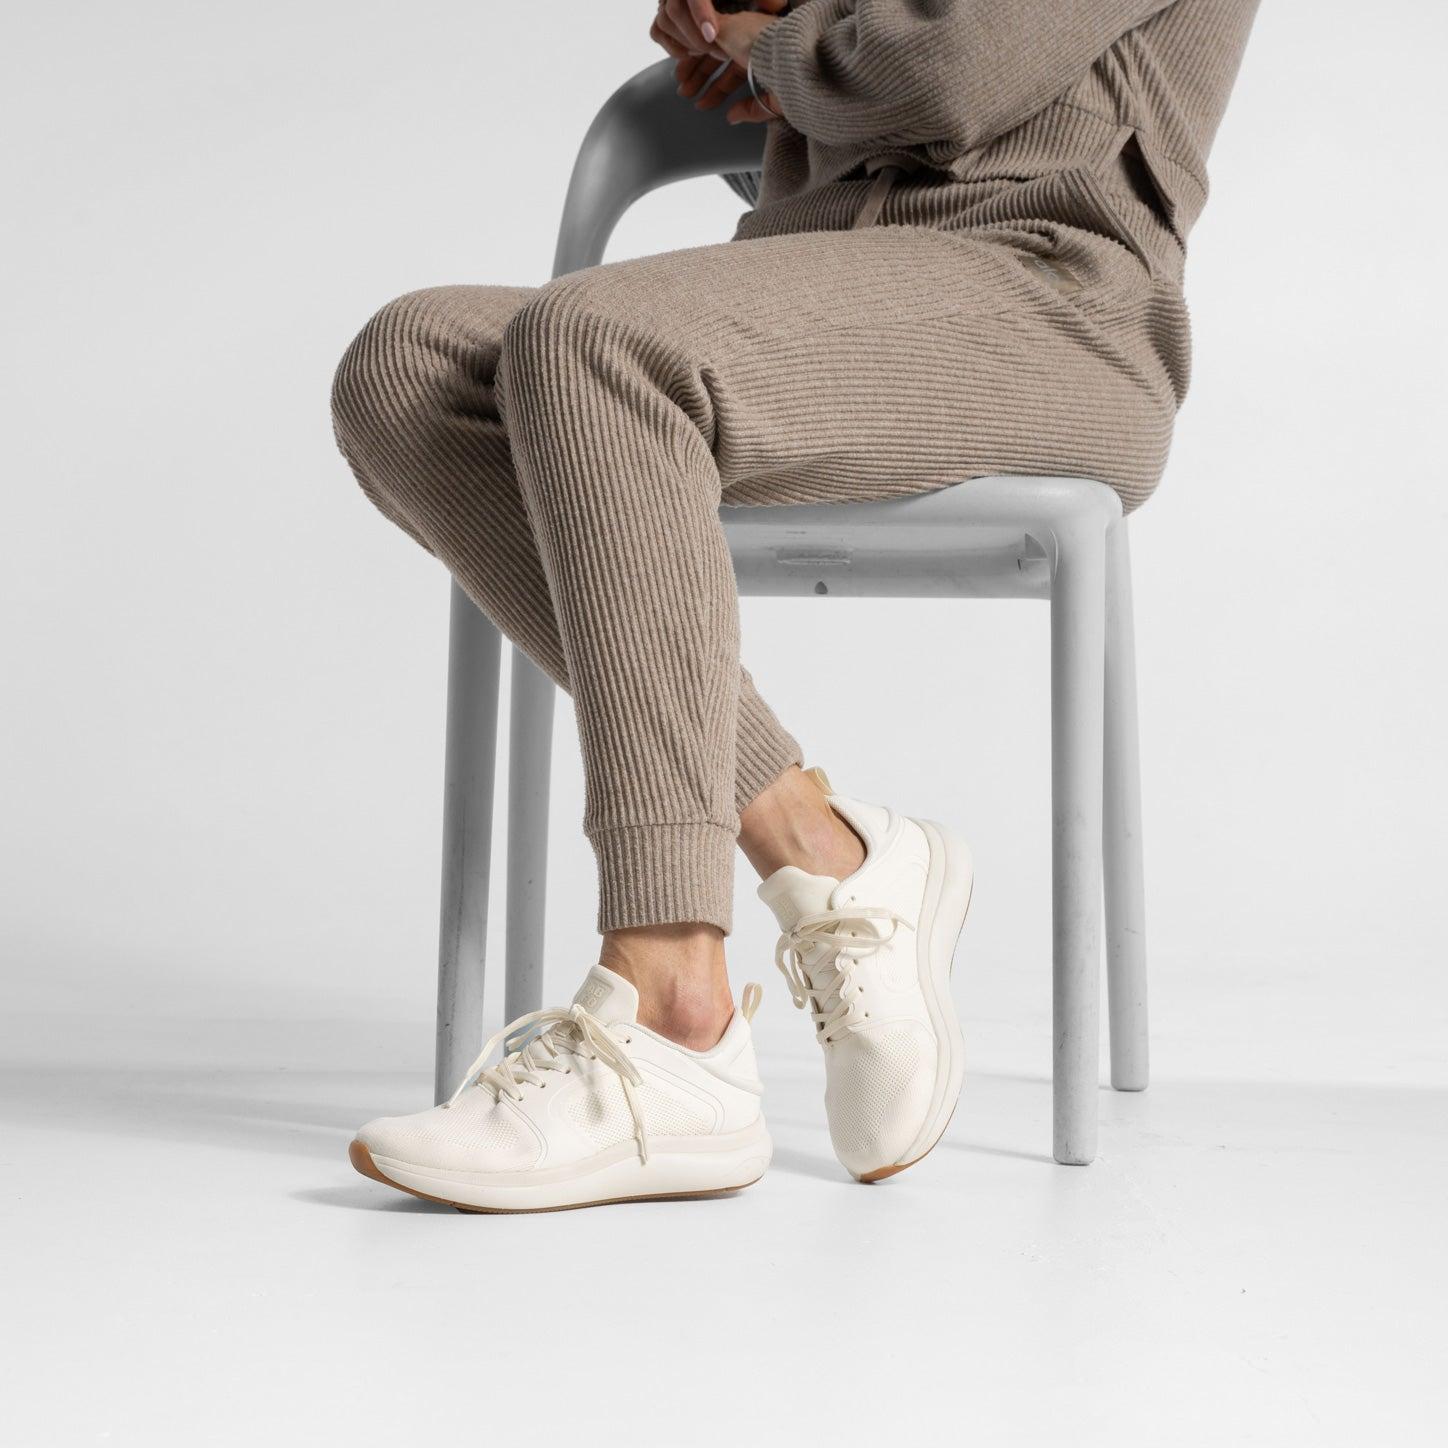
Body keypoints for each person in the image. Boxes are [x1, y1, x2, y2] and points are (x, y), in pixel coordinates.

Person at [332, 0, 1257, 1212]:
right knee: (407, 366)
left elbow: (944, 68)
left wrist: (778, 45)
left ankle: (674, 1005)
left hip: (1049, 297)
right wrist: (746, 34)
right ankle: (822, 847)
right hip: (828, 275)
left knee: (595, 339)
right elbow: (862, 74)